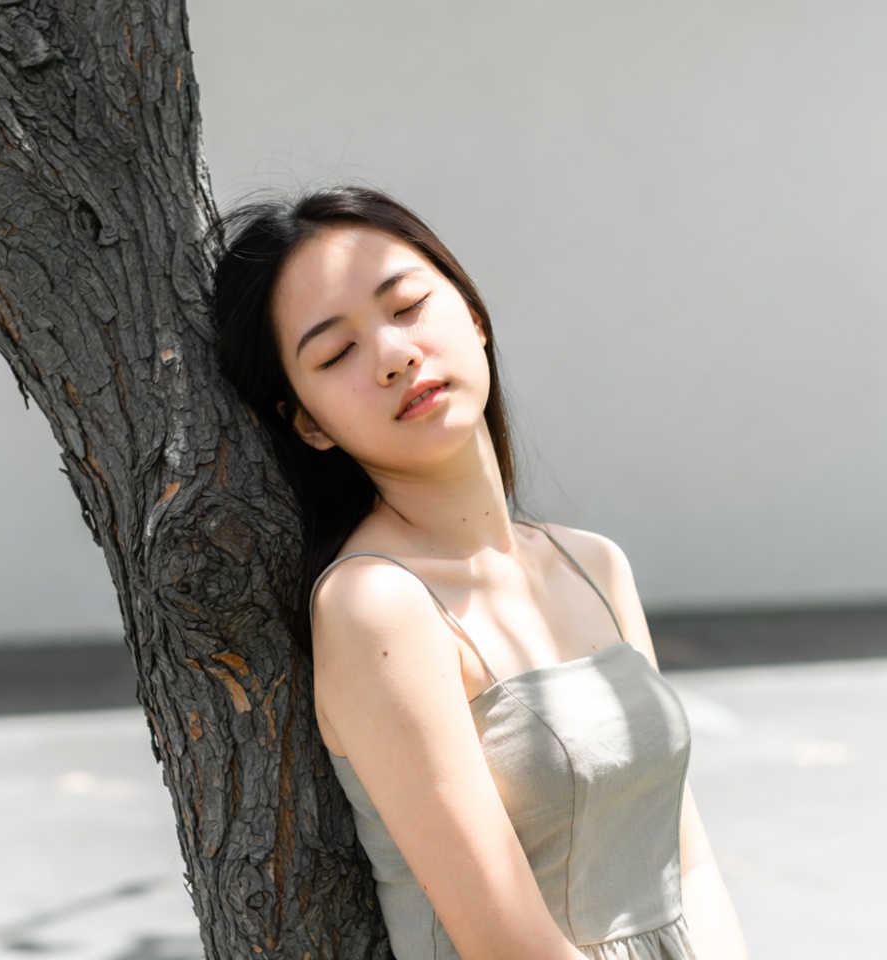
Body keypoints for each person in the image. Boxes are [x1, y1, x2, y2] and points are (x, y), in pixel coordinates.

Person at [212, 186, 749, 960]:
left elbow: (687, 862)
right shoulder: (377, 604)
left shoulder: (593, 563)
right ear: (307, 422)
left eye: (407, 307)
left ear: (473, 313)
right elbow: (504, 941)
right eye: (336, 354)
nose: (395, 355)